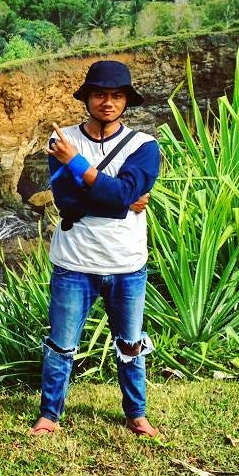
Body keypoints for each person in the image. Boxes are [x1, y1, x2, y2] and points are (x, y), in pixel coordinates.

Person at [28, 60, 161, 437]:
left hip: (126, 263)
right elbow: (66, 201)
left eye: (116, 95)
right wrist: (121, 201)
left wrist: (80, 167)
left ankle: (137, 414)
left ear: (125, 101)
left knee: (131, 344)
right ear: (87, 97)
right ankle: (49, 416)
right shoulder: (61, 141)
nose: (108, 102)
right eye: (100, 94)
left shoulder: (144, 146)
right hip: (74, 262)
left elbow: (119, 191)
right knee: (61, 344)